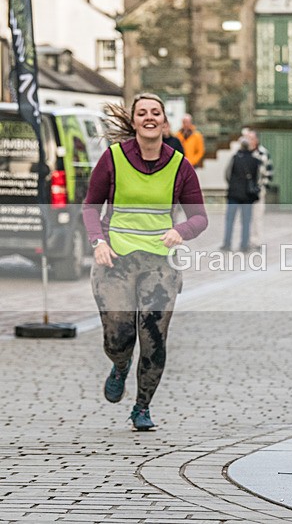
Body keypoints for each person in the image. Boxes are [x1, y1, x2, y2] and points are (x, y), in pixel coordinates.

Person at [82, 93, 208, 431]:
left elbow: (199, 218)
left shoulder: (180, 165)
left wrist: (180, 231)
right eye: (142, 113)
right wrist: (97, 242)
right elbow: (90, 207)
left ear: (165, 122)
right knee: (118, 336)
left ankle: (142, 407)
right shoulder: (112, 159)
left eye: (155, 113)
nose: (149, 117)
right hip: (115, 261)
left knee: (153, 339)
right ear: (134, 121)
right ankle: (120, 365)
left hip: (160, 265)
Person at [221, 137, 260, 252]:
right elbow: (257, 178)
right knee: (246, 221)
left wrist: (233, 184)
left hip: (234, 194)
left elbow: (227, 174)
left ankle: (227, 244)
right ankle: (244, 245)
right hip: (248, 196)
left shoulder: (235, 158)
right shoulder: (255, 160)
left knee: (230, 220)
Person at [242, 128, 273, 245]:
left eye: (251, 139)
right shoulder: (244, 153)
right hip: (245, 191)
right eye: (248, 138)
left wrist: (262, 188)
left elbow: (269, 172)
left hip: (258, 190)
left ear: (256, 140)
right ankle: (246, 240)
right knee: (246, 217)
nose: (249, 141)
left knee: (257, 217)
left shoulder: (263, 153)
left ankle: (257, 240)